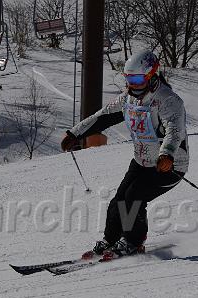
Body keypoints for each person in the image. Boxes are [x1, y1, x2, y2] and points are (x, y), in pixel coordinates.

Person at [61, 50, 189, 259]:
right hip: (141, 161)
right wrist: (76, 133)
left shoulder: (168, 100)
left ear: (151, 75)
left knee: (134, 197)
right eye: (129, 80)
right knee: (119, 200)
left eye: (137, 80)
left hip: (168, 165)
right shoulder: (128, 98)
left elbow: (175, 131)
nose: (133, 85)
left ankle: (133, 242)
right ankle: (112, 239)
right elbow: (103, 116)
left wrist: (167, 154)